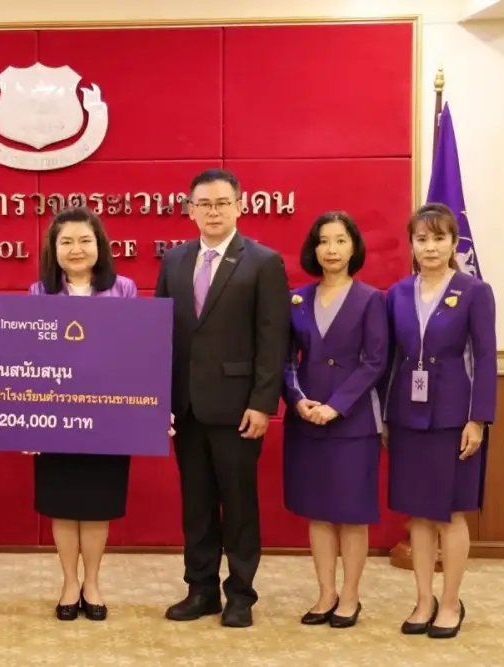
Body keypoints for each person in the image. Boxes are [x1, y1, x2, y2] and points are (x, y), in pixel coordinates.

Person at [154, 168, 291, 628]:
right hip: (185, 406)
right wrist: (158, 398)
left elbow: (273, 339)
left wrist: (263, 403)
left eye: (221, 203)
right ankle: (201, 589)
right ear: (191, 210)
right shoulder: (174, 260)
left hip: (239, 408)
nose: (213, 212)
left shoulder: (263, 262)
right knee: (196, 505)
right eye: (204, 204)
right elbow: (160, 334)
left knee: (238, 505)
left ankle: (241, 594)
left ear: (239, 206)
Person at [26, 207, 173, 622]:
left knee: (96, 503)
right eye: (66, 242)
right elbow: (27, 358)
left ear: (99, 246)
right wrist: (28, 419)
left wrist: (151, 408)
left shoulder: (123, 289)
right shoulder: (39, 293)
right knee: (62, 503)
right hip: (55, 416)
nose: (76, 249)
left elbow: (139, 351)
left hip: (108, 416)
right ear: (54, 250)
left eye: (84, 240)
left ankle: (92, 582)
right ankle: (68, 583)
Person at [380, 203, 496, 639]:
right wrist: (385, 417)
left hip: (454, 417)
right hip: (407, 417)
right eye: (422, 239)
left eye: (439, 238)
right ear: (412, 244)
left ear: (453, 243)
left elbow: (485, 358)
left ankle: (450, 602)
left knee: (449, 513)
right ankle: (424, 599)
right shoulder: (396, 293)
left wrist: (478, 419)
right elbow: (390, 360)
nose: (430, 247)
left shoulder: (474, 291)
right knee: (419, 515)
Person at [282, 212, 387, 628]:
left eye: (341, 240)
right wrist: (298, 401)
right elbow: (285, 361)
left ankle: (350, 596)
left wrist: (337, 405)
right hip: (307, 420)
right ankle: (325, 593)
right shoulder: (296, 299)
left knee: (351, 512)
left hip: (353, 422)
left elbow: (375, 361)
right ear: (314, 248)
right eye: (324, 241)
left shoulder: (371, 299)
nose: (331, 249)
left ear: (353, 247)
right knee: (319, 511)